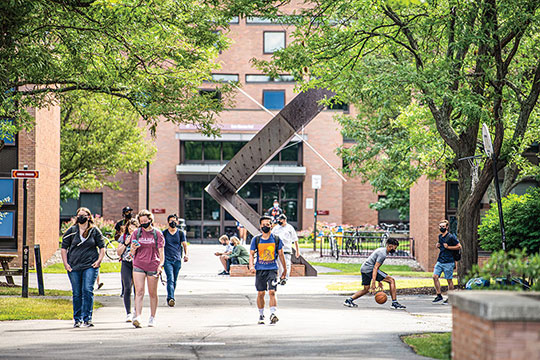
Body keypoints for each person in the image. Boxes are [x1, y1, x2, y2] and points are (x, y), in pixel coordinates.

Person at [61, 207, 106, 328]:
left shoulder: (94, 231)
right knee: (77, 292)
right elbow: (64, 248)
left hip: (90, 265)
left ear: (89, 217)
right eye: (79, 215)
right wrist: (66, 264)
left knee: (87, 290)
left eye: (84, 215)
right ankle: (77, 318)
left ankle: (88, 318)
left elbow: (102, 247)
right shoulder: (71, 231)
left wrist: (99, 260)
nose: (81, 217)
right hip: (74, 266)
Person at [343, 238, 406, 310]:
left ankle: (349, 300)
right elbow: (375, 268)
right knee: (391, 280)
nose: (395, 249)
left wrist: (379, 280)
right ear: (390, 246)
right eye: (395, 247)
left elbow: (376, 268)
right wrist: (373, 282)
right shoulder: (383, 254)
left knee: (366, 289)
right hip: (369, 269)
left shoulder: (381, 250)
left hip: (364, 268)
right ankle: (394, 303)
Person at [249, 216, 287, 325]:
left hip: (272, 269)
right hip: (260, 269)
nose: (265, 226)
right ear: (260, 226)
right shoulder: (256, 239)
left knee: (272, 292)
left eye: (267, 224)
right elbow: (251, 254)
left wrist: (284, 269)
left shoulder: (276, 239)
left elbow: (281, 254)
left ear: (271, 225)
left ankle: (273, 313)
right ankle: (261, 314)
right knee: (261, 293)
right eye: (263, 224)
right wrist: (251, 266)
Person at [130, 209, 165, 328]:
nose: (144, 223)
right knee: (139, 291)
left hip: (153, 265)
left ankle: (152, 317)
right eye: (141, 221)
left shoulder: (157, 234)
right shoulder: (136, 233)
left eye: (146, 221)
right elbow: (132, 251)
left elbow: (161, 252)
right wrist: (133, 248)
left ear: (150, 220)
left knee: (152, 293)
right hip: (139, 264)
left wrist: (160, 265)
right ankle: (138, 316)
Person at [432, 220, 461, 304]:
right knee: (435, 277)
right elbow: (442, 248)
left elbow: (459, 246)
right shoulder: (440, 237)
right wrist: (438, 246)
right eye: (440, 226)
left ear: (447, 227)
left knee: (449, 280)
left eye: (443, 226)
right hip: (440, 260)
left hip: (449, 262)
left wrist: (449, 247)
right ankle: (439, 295)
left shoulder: (451, 237)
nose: (441, 228)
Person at [163, 214, 189, 307]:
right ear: (168, 222)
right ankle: (171, 298)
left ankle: (170, 296)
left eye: (174, 220)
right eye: (171, 221)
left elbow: (184, 245)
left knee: (174, 280)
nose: (173, 222)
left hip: (177, 259)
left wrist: (186, 255)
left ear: (177, 222)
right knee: (170, 278)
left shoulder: (180, 233)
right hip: (167, 259)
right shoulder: (164, 233)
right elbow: (160, 246)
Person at [116, 218, 138, 322]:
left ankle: (136, 311)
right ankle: (128, 313)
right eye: (129, 229)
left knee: (137, 289)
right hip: (126, 263)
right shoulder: (123, 237)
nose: (131, 231)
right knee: (127, 287)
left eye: (133, 229)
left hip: (138, 264)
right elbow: (118, 252)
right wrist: (126, 243)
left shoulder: (140, 237)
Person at [272, 214, 300, 281]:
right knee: (279, 265)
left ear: (284, 220)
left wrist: (297, 251)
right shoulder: (276, 228)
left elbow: (295, 240)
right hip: (278, 249)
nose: (279, 221)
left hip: (287, 248)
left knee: (287, 264)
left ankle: (285, 277)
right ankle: (281, 277)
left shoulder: (290, 228)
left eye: (280, 220)